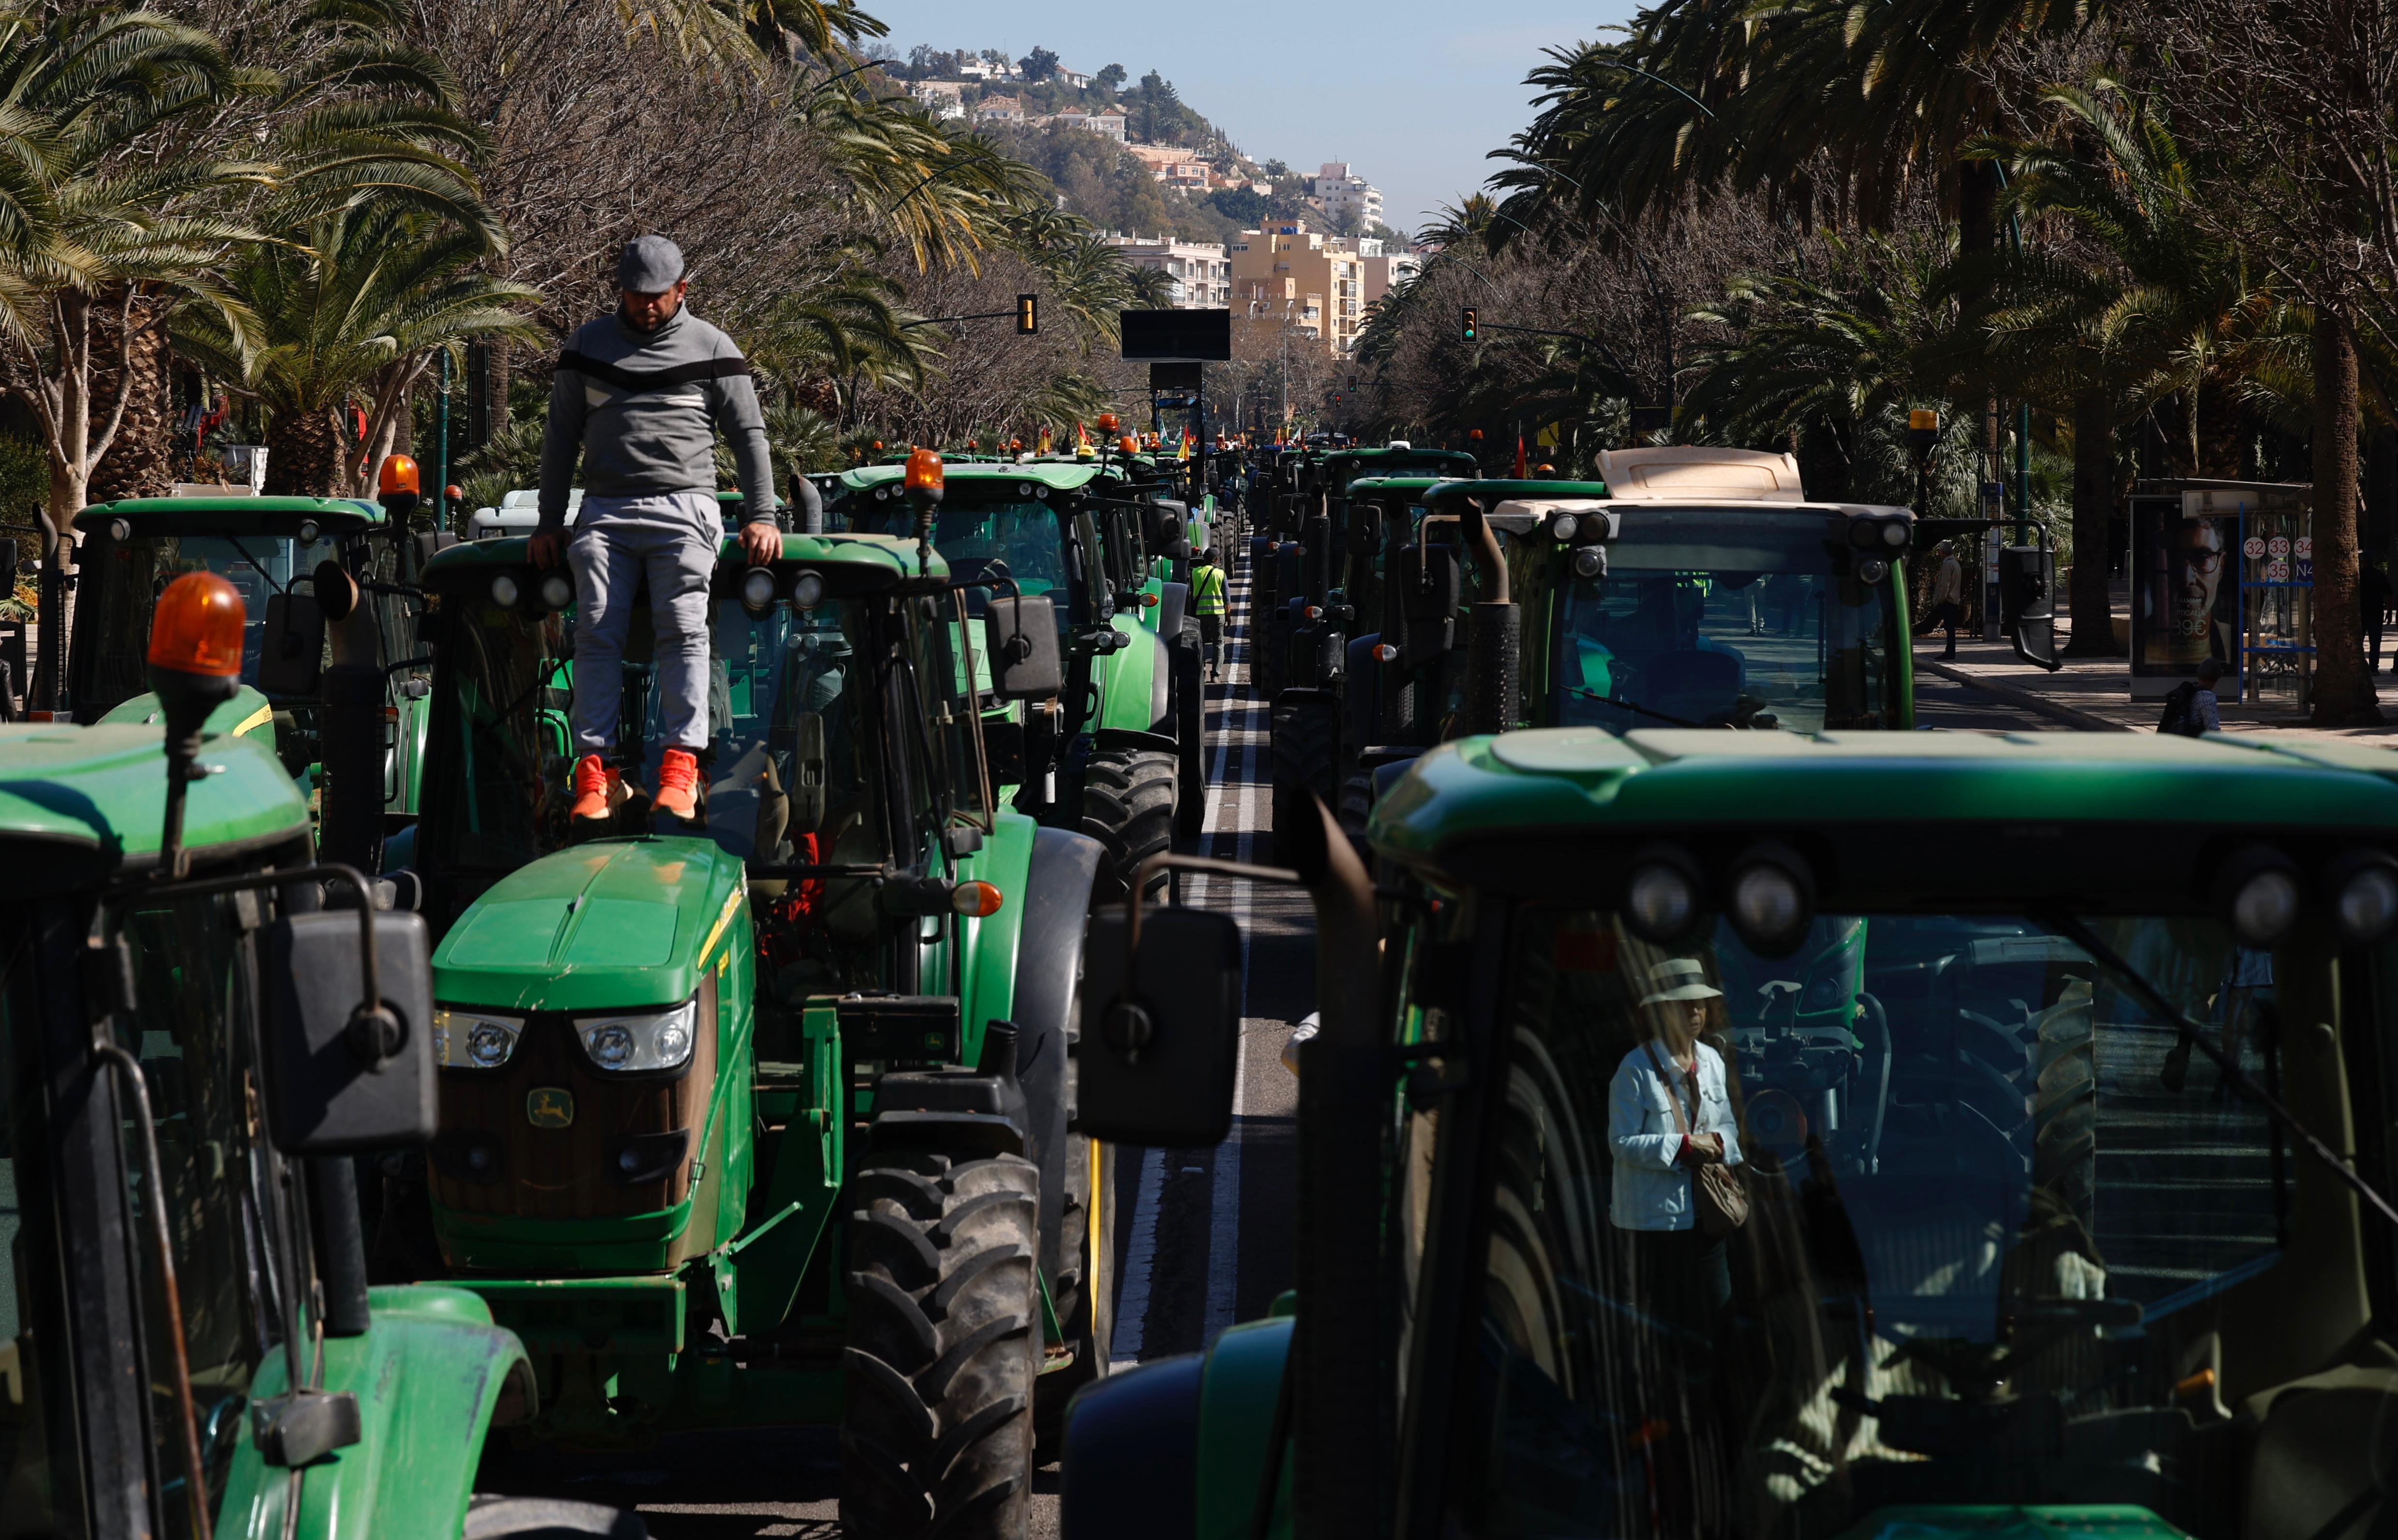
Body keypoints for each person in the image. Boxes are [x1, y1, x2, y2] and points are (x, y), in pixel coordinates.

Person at [532, 234, 780, 830]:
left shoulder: (713, 348)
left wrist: (762, 516)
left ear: (682, 291)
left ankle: (681, 766)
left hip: (685, 507)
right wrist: (548, 522)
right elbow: (561, 437)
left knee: (684, 631)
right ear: (620, 291)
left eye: (657, 297)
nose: (645, 306)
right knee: (594, 632)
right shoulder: (587, 348)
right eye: (635, 295)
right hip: (607, 511)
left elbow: (749, 436)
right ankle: (596, 768)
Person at [1608, 957, 1744, 1346]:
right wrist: (1685, 1147)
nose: (1695, 1011)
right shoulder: (1634, 1068)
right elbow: (1620, 1143)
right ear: (1660, 1011)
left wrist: (1717, 1145)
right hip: (1656, 1225)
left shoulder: (1713, 1062)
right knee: (1667, 1329)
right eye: (1683, 1004)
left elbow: (1731, 1129)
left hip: (1708, 1217)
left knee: (1720, 1321)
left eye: (1699, 1002)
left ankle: (1716, 1396)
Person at [2158, 655, 2226, 736]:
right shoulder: (2207, 697)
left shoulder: (2191, 690)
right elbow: (2212, 729)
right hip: (2193, 741)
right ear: (2217, 677)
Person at [1191, 546, 1227, 680]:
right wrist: (1228, 616)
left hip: (1200, 614)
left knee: (1201, 644)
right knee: (1218, 644)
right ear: (1216, 559)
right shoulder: (1220, 574)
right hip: (1218, 613)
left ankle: (1202, 671)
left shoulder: (1195, 572)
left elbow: (1191, 595)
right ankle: (1216, 675)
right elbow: (1227, 598)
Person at [1927, 540, 1965, 659]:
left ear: (1942, 552)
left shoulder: (1948, 564)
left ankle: (1950, 652)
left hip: (1948, 600)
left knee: (1949, 628)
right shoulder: (1955, 563)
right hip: (1953, 599)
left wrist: (1941, 599)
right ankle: (1950, 652)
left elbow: (1945, 585)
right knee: (1950, 627)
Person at [2363, 552, 2391, 671]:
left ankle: (2360, 666)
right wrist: (2389, 611)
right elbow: (2390, 595)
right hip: (2376, 613)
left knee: (2357, 643)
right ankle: (2374, 668)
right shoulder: (2380, 575)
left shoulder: (2358, 576)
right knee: (2375, 643)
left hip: (2361, 614)